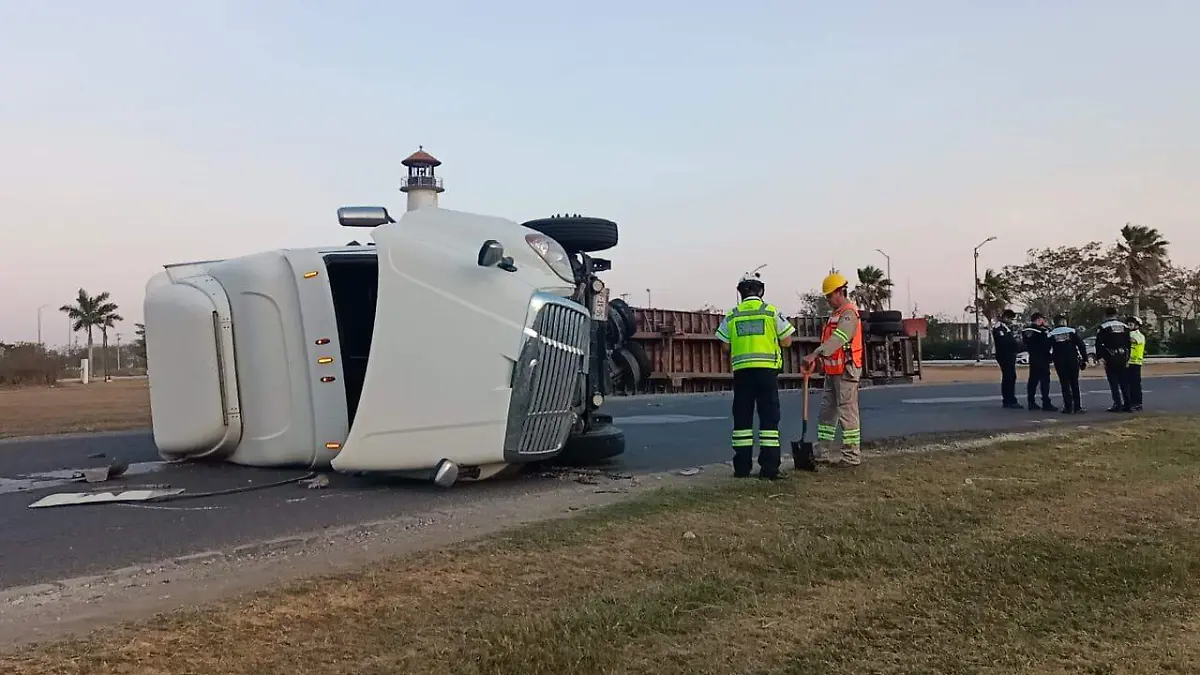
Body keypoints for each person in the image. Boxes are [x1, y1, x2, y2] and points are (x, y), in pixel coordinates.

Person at [715, 270, 796, 479]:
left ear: (741, 292)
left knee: (742, 420)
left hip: (742, 374)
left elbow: (724, 346)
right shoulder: (770, 312)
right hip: (767, 373)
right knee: (769, 421)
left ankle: (741, 468)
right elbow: (787, 341)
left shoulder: (732, 315)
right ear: (761, 291)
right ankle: (769, 468)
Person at [801, 272, 864, 468]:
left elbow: (839, 339)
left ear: (839, 292)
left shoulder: (848, 314)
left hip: (846, 371)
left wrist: (815, 354)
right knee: (826, 414)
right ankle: (822, 452)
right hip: (832, 372)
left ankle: (851, 456)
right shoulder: (835, 315)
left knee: (847, 413)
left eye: (829, 295)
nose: (828, 300)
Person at [1048, 314, 1088, 414]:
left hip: (1060, 362)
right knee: (1075, 384)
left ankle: (1068, 407)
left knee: (1065, 384)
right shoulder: (1071, 331)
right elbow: (1081, 345)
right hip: (1072, 360)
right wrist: (1084, 359)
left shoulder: (1051, 334)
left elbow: (1046, 348)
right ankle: (1078, 407)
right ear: (1064, 322)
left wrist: (1051, 358)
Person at [1095, 307, 1132, 412]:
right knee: (1124, 382)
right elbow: (1128, 343)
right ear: (1117, 314)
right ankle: (1128, 404)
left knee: (1114, 382)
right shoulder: (1124, 326)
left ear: (1106, 315)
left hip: (1110, 356)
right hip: (1123, 356)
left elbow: (1099, 343)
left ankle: (1117, 404)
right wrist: (1127, 358)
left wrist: (1100, 357)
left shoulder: (1104, 327)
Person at [1021, 312, 1057, 411]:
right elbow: (1047, 344)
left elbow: (1025, 343)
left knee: (1033, 380)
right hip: (1042, 358)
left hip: (1033, 357)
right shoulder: (1042, 331)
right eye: (1042, 319)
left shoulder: (1026, 330)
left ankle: (1031, 402)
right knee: (1045, 381)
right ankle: (1046, 403)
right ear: (1038, 319)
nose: (1044, 321)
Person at [992, 309, 1022, 409]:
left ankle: (1010, 399)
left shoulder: (1006, 328)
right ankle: (1009, 400)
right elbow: (1003, 342)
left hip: (1009, 355)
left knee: (1010, 377)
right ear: (1006, 317)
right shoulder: (999, 327)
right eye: (1010, 319)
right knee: (1008, 377)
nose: (1011, 321)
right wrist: (1015, 344)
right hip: (1004, 355)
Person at [1127, 316, 1146, 411]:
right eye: (1128, 324)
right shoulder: (1129, 334)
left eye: (1131, 324)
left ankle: (1137, 403)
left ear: (1137, 326)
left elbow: (1133, 341)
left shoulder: (1139, 335)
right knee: (1128, 384)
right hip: (1128, 362)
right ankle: (1130, 402)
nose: (1128, 326)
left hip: (1135, 363)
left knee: (1135, 384)